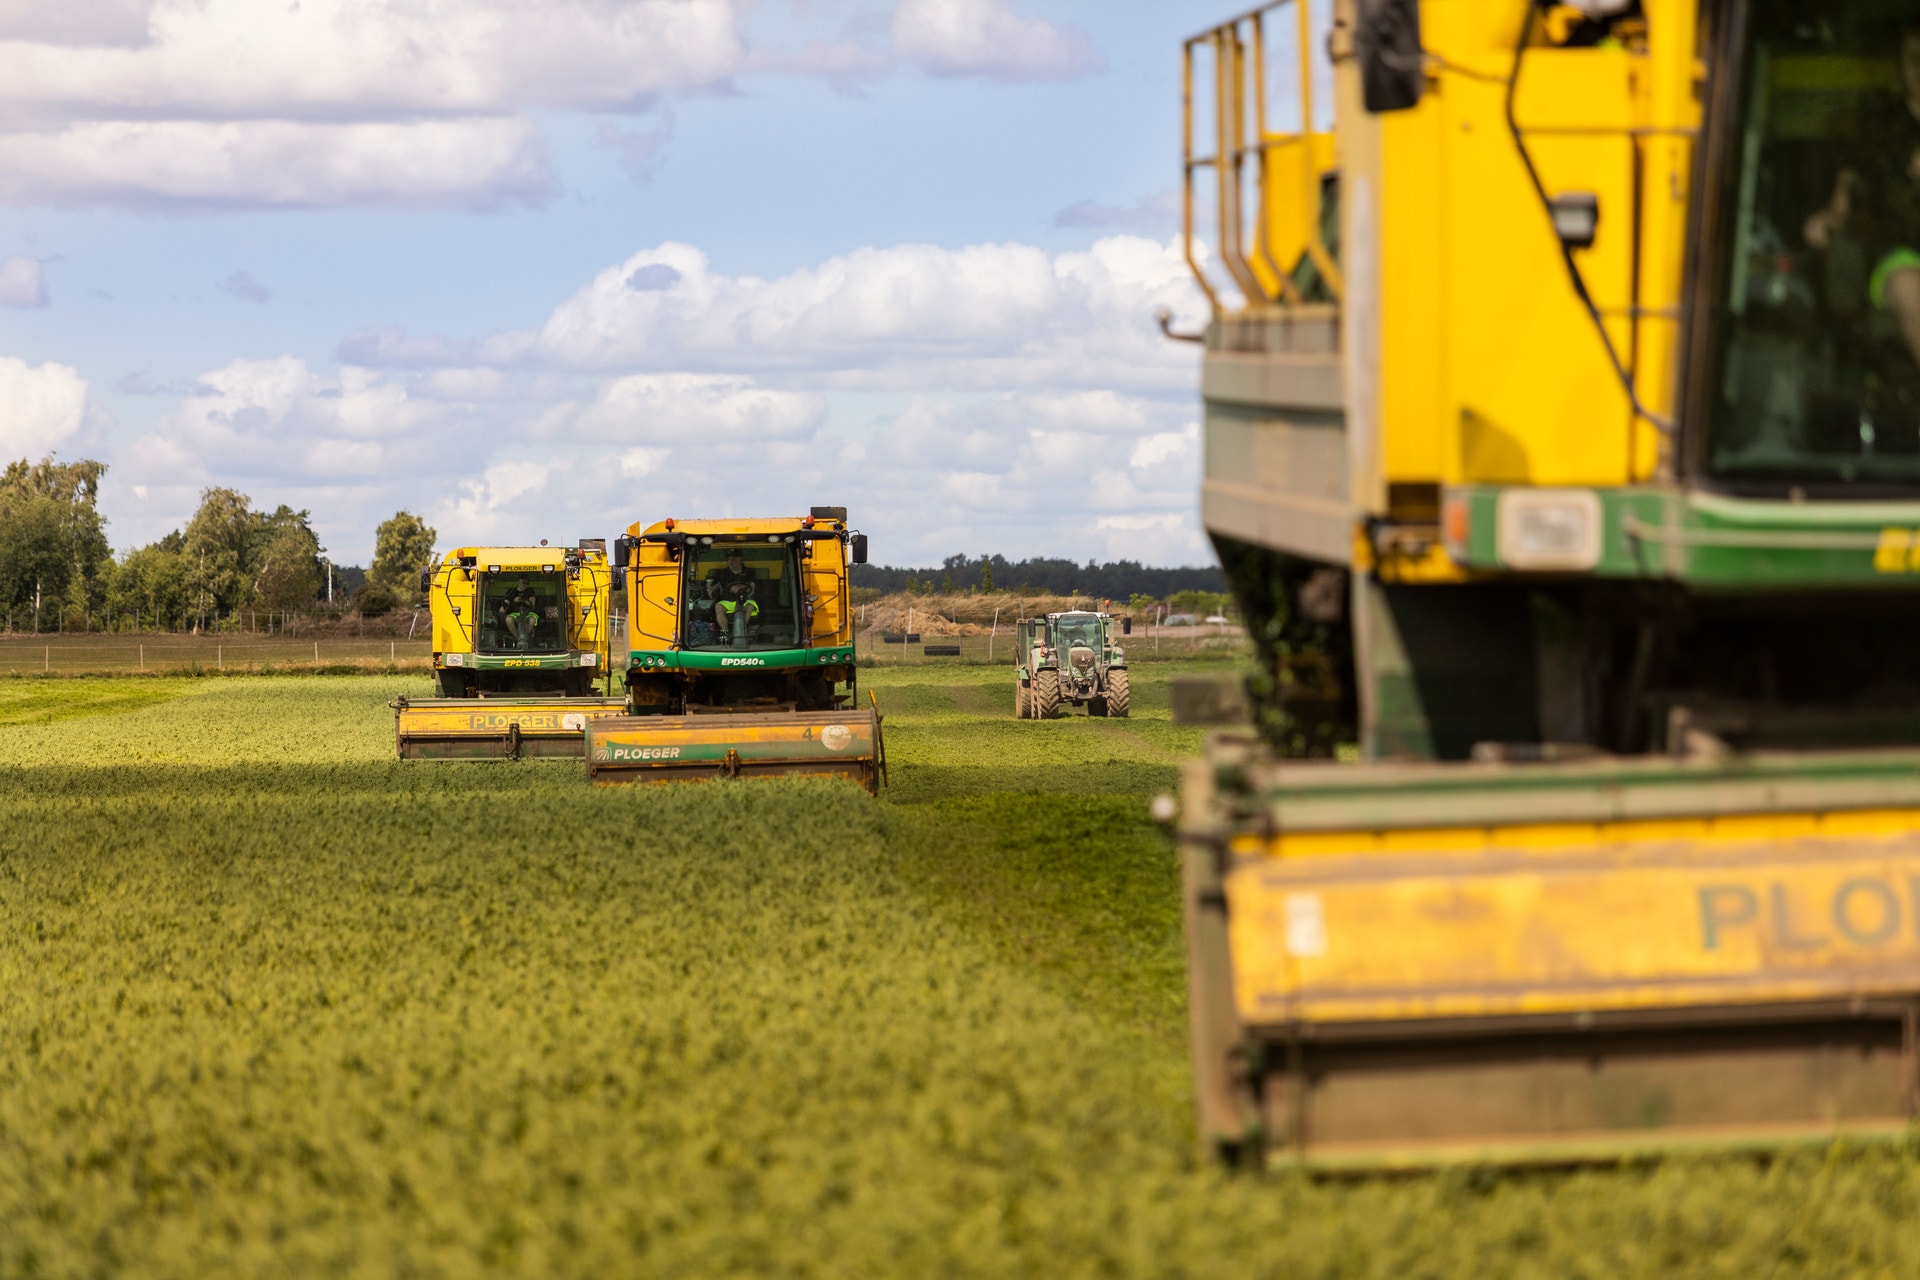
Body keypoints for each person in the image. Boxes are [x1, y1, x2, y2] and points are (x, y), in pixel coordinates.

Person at [1805, 22, 1920, 369]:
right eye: (1916, 60)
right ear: (1901, 66)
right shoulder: (1879, 126)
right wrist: (1829, 220)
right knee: (1906, 286)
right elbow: (1846, 189)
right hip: (1896, 255)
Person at [709, 549, 759, 644]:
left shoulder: (750, 571)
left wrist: (740, 588)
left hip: (746, 599)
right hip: (727, 601)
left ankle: (742, 630)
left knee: (750, 607)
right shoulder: (721, 573)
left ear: (740, 559)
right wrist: (711, 592)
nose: (731, 561)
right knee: (718, 607)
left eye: (734, 559)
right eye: (729, 559)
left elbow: (753, 586)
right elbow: (711, 586)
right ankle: (726, 633)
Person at [497, 576, 542, 650]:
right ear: (518, 582)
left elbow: (532, 602)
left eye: (527, 583)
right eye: (523, 583)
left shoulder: (530, 590)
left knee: (532, 620)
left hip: (528, 613)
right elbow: (506, 602)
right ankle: (519, 639)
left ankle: (524, 638)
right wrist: (503, 607)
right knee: (508, 620)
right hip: (515, 613)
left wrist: (525, 601)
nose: (525, 585)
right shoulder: (512, 591)